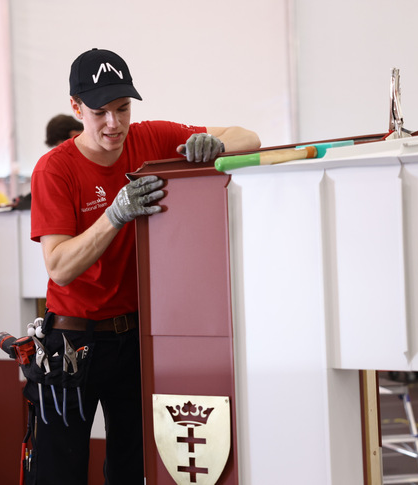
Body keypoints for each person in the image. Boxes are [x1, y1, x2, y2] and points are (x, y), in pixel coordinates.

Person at [28, 47, 260, 485]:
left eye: (122, 109)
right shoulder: (55, 170)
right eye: (99, 113)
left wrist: (215, 145)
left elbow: (249, 136)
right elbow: (59, 267)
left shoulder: (151, 138)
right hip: (74, 340)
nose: (113, 124)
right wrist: (114, 214)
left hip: (136, 338)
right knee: (59, 471)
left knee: (134, 467)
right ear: (76, 108)